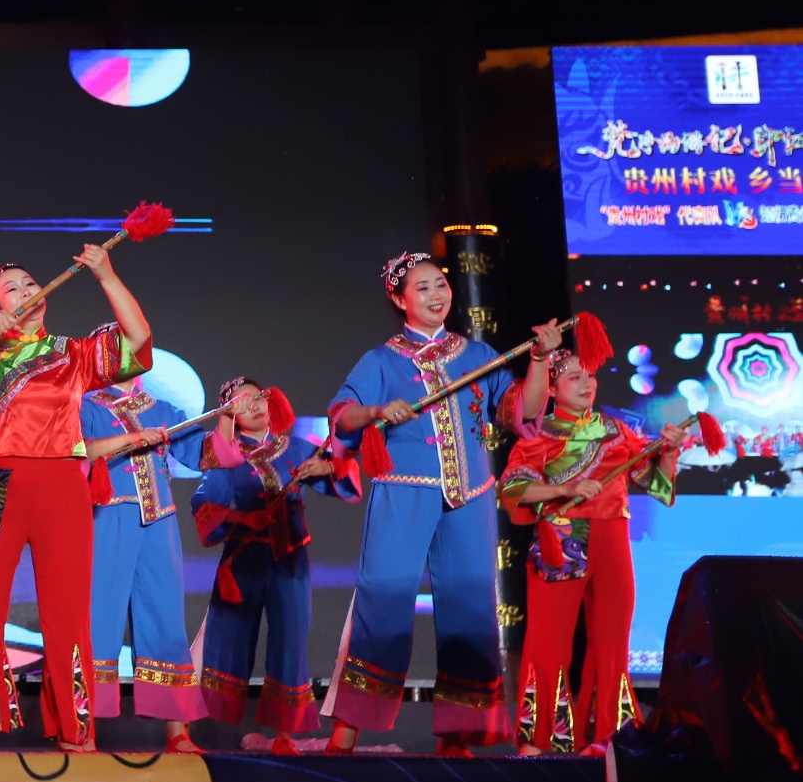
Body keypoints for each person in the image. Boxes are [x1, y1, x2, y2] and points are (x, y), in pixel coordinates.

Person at [323, 252, 558, 755]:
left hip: (468, 497)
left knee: (472, 606)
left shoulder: (477, 355)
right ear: (399, 298)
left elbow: (524, 411)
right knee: (383, 600)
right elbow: (342, 417)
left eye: (441, 285)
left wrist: (538, 360)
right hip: (403, 491)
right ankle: (348, 730)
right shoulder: (382, 360)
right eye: (423, 288)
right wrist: (376, 410)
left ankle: (461, 733)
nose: (436, 295)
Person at [0, 243, 152, 751]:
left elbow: (138, 341)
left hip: (64, 486)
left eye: (30, 285)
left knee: (68, 612)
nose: (28, 293)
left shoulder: (73, 353)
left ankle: (77, 730)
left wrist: (107, 276)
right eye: (13, 290)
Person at [498, 350, 687, 755]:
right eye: (573, 378)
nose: (586, 384)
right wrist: (563, 490)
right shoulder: (540, 434)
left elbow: (655, 485)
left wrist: (669, 452)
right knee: (550, 645)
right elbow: (513, 489)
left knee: (612, 642)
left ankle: (609, 736)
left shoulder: (616, 430)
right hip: (562, 536)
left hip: (613, 538)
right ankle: (539, 738)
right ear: (550, 388)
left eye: (590, 376)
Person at [190, 378, 350, 752]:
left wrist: (327, 469)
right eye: (240, 404)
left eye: (257, 397)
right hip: (243, 563)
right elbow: (205, 505)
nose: (254, 406)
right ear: (229, 416)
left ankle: (284, 736)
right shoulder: (225, 457)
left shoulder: (294, 447)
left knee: (290, 643)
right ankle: (216, 735)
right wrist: (244, 519)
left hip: (290, 562)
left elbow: (341, 472)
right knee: (229, 642)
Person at [80, 375, 206, 750]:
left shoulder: (161, 409)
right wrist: (132, 440)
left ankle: (177, 731)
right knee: (98, 619)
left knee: (166, 620)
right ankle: (82, 727)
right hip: (108, 517)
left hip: (159, 521)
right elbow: (78, 451)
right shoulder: (85, 406)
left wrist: (232, 417)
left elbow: (204, 452)